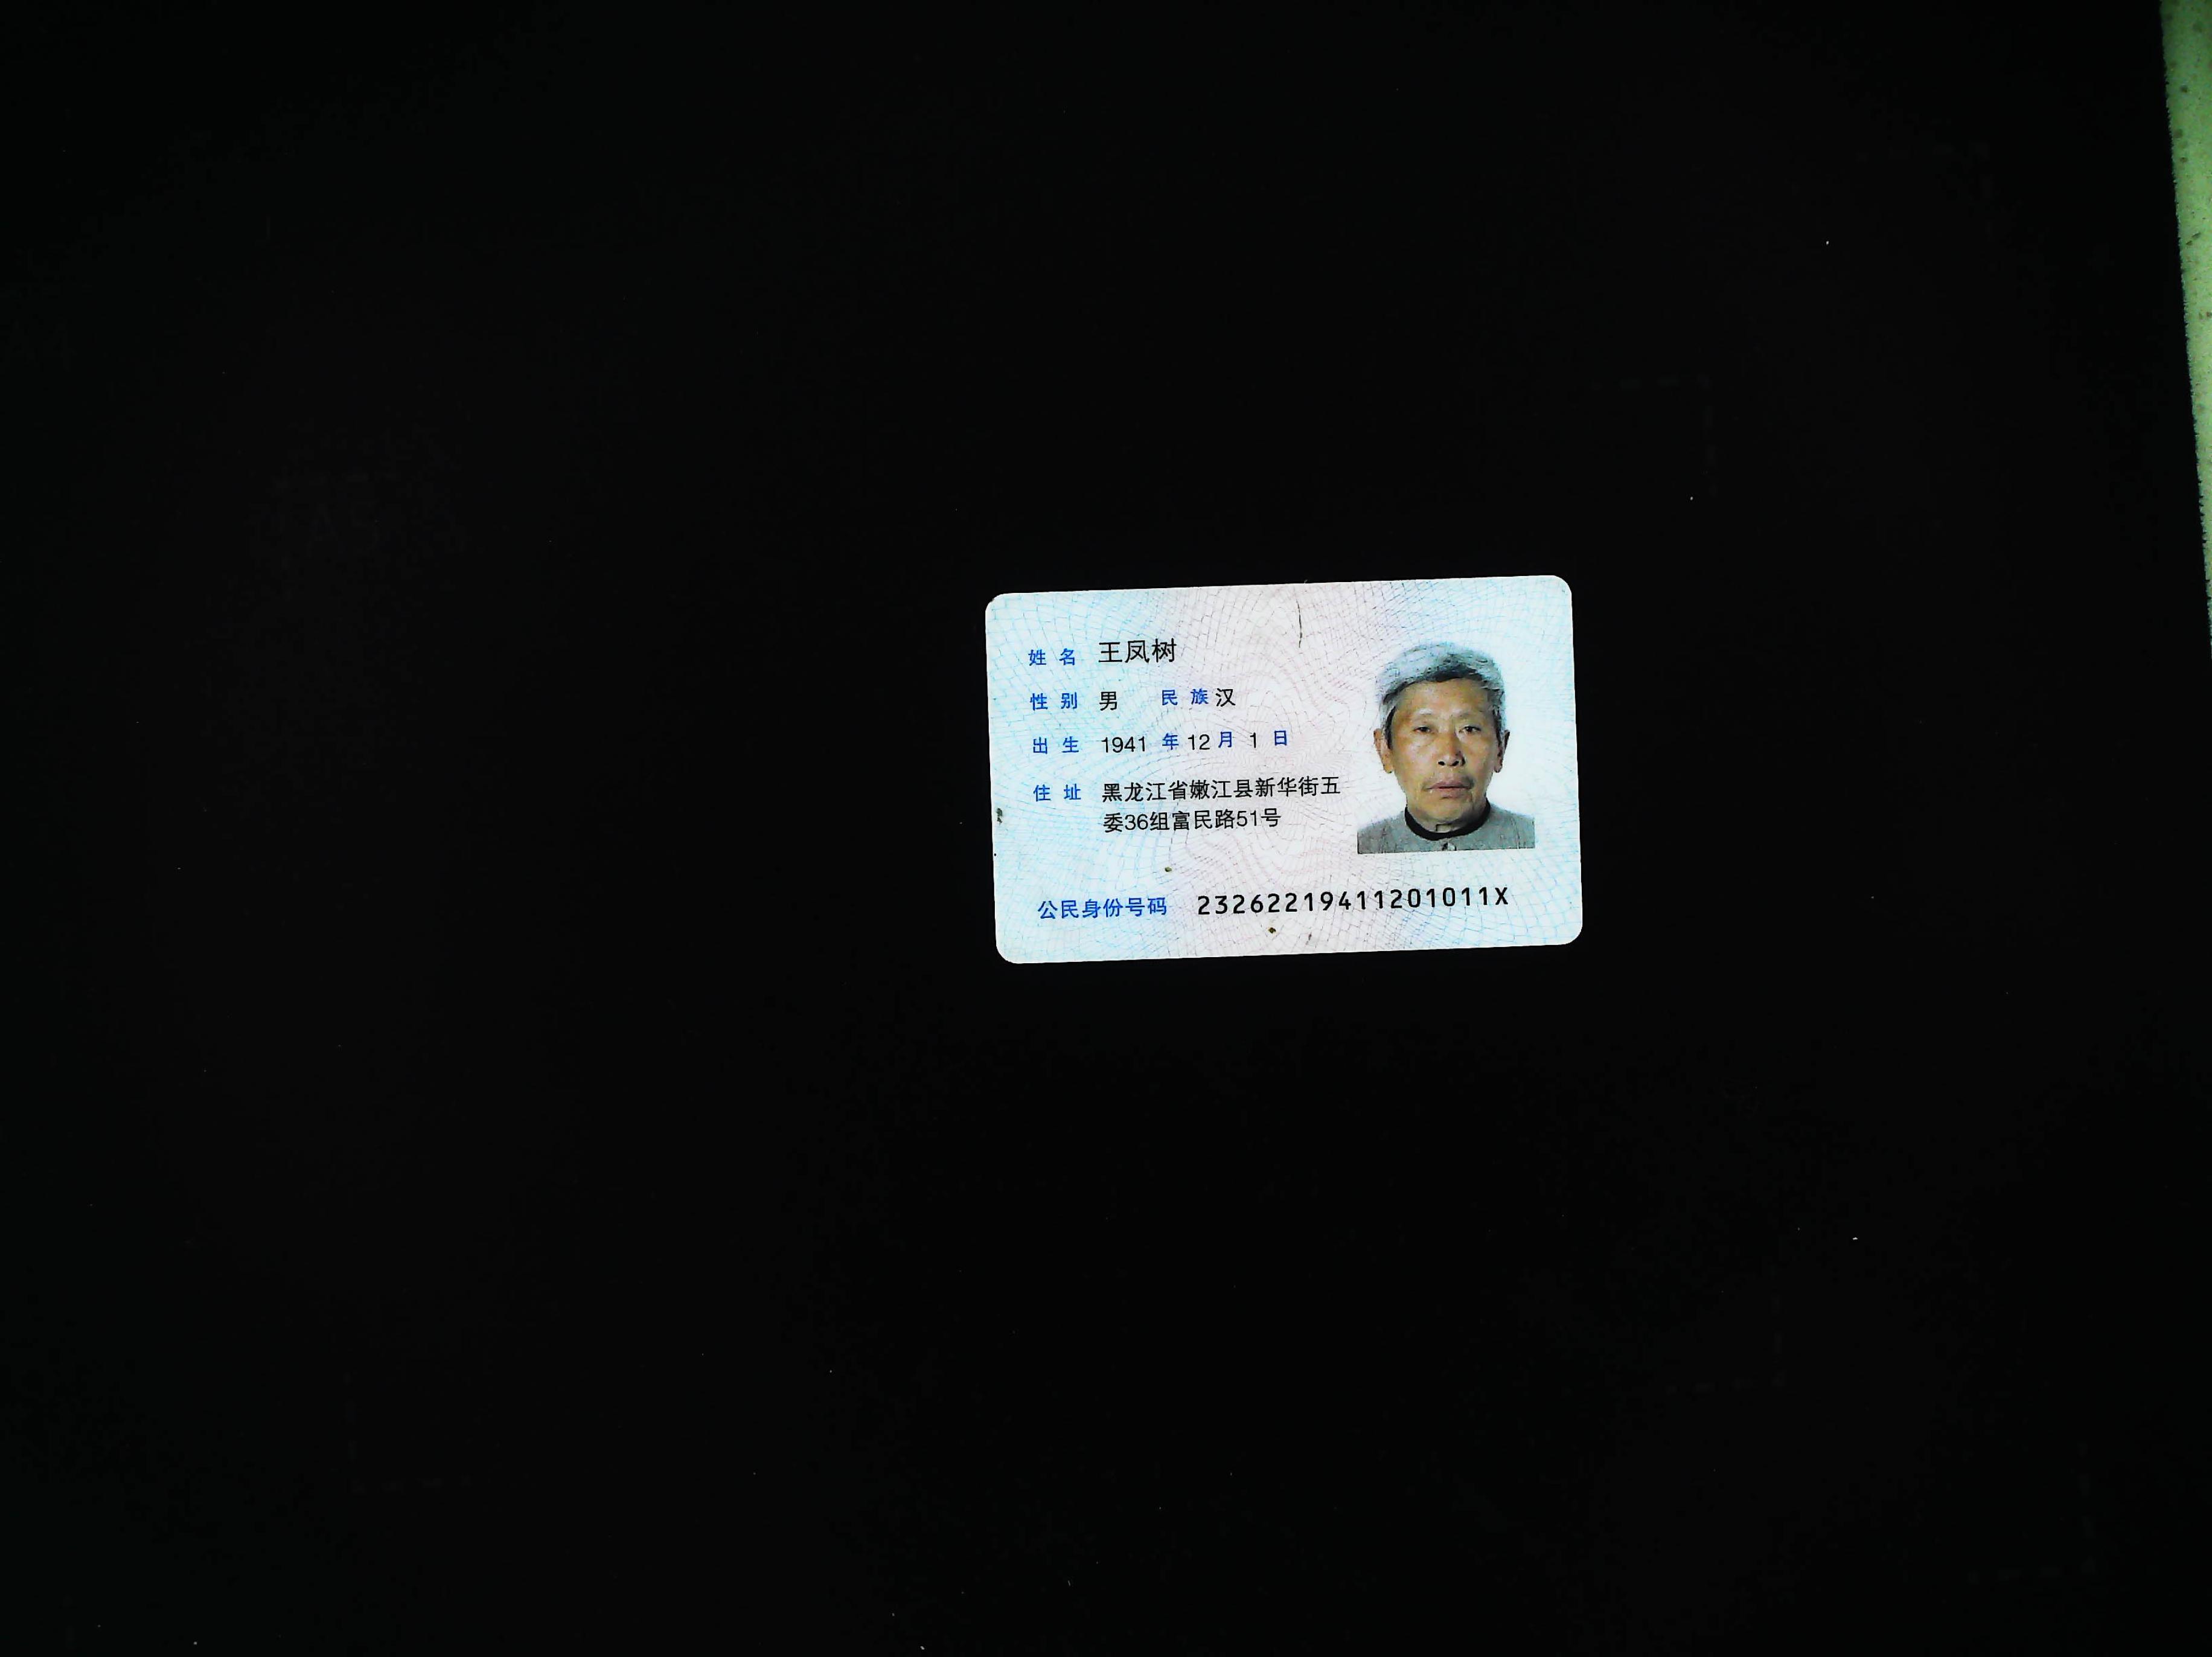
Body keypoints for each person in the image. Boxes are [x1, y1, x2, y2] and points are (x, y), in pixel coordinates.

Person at [1355, 643, 1536, 853]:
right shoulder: (1365, 845)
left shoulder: (1535, 839)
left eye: (1469, 729)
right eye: (1424, 729)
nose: (1450, 756)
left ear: (1500, 749)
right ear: (1385, 750)